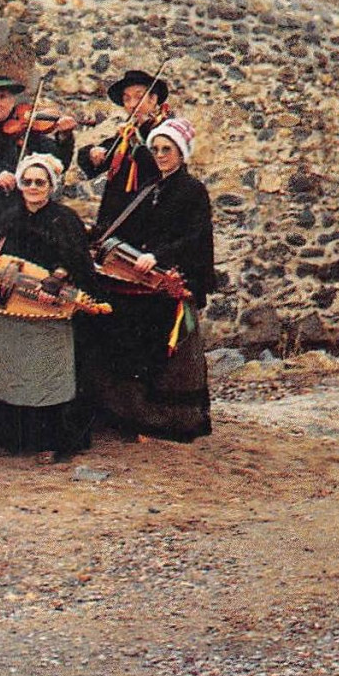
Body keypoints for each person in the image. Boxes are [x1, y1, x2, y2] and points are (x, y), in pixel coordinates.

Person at [89, 117, 216, 442]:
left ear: (181, 153)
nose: (160, 155)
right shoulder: (151, 187)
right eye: (156, 149)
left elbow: (194, 236)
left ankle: (171, 420)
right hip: (147, 278)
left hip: (174, 278)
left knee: (169, 351)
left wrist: (157, 256)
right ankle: (131, 414)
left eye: (167, 149)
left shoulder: (192, 190)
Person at [0, 154, 101, 464]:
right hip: (11, 310)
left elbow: (77, 263)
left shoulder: (65, 219)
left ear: (51, 186)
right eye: (27, 182)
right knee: (11, 371)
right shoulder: (6, 217)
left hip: (49, 312)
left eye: (39, 182)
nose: (32, 187)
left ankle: (50, 440)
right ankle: (11, 436)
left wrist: (55, 282)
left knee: (46, 375)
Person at [0, 76, 77, 396]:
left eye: (1, 97)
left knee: (24, 295)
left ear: (13, 100)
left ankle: (26, 369)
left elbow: (58, 163)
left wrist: (65, 136)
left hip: (29, 226)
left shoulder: (30, 131)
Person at [76, 68, 172, 234]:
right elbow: (100, 158)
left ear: (153, 99)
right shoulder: (126, 133)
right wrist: (94, 152)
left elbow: (160, 165)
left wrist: (137, 139)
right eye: (127, 99)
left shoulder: (167, 131)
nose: (132, 104)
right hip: (116, 213)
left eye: (138, 97)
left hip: (147, 212)